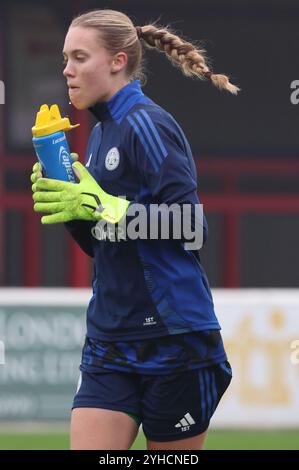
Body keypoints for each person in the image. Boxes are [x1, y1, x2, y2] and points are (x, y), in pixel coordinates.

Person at [31, 9, 238, 450]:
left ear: (118, 61)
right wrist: (72, 204)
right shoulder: (100, 133)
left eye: (79, 57)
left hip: (174, 339)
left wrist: (108, 206)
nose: (67, 69)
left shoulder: (148, 124)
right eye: (65, 58)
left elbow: (193, 226)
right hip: (110, 338)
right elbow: (103, 241)